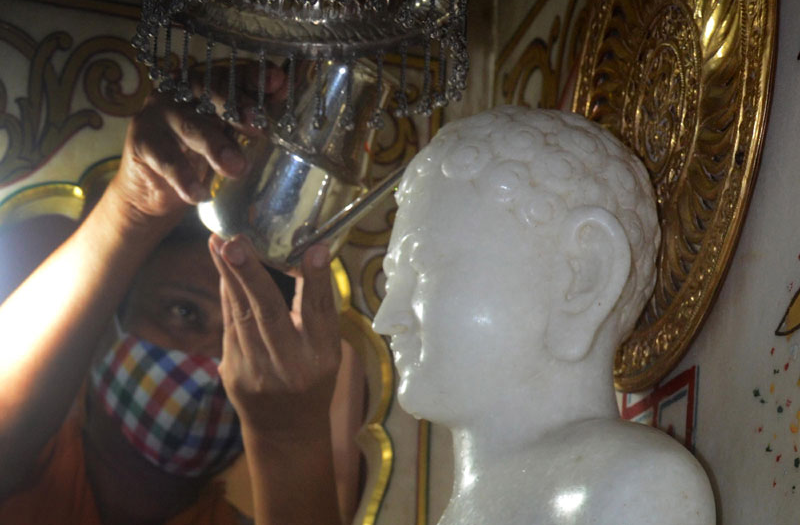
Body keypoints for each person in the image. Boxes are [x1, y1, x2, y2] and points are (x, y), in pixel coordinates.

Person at [0, 63, 347, 525]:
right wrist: (131, 213)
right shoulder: (27, 469)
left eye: (244, 340)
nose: (215, 362)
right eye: (183, 312)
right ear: (106, 323)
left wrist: (292, 438)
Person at [372, 106, 716, 524]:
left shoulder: (632, 486)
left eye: (424, 268)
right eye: (392, 281)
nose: (386, 320)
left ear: (583, 275)